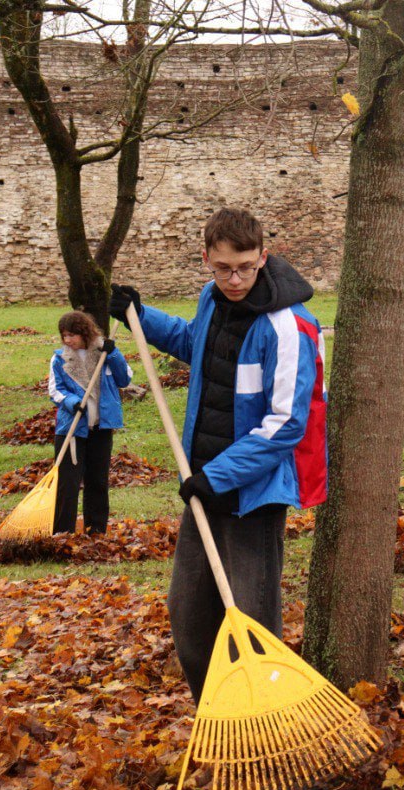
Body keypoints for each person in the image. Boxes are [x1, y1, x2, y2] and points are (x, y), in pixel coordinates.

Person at [109, 207, 326, 703]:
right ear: (207, 259)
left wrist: (218, 476)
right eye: (223, 268)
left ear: (263, 257)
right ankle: (218, 714)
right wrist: (139, 317)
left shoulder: (290, 326)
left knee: (251, 624)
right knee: (189, 617)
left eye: (246, 268)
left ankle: (262, 719)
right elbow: (195, 344)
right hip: (203, 488)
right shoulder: (212, 298)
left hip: (250, 495)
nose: (234, 279)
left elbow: (285, 424)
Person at [48, 310, 133, 534]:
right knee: (68, 483)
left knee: (97, 481)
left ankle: (96, 530)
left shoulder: (105, 353)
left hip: (101, 428)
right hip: (72, 430)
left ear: (85, 333)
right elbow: (55, 390)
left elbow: (125, 379)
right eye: (64, 336)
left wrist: (114, 354)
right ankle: (62, 532)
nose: (67, 340)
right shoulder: (60, 359)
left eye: (72, 335)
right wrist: (73, 402)